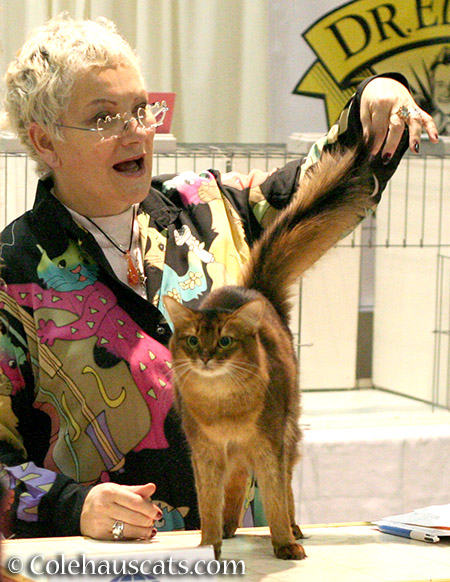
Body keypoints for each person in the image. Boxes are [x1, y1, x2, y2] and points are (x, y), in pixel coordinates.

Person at [0, 13, 438, 541]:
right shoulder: (14, 274)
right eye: (104, 118)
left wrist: (376, 97)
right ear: (44, 142)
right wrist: (75, 507)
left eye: (141, 110)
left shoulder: (207, 207)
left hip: (236, 556)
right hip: (104, 563)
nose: (136, 131)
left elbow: (313, 190)